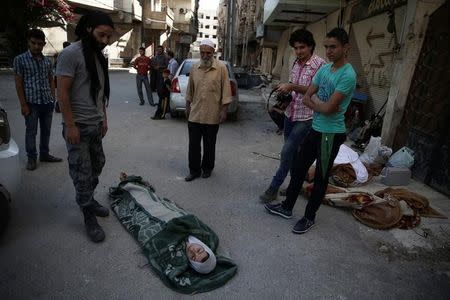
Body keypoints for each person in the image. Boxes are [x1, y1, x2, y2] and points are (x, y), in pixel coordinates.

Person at [265, 28, 357, 234]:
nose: (329, 51)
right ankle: (287, 207)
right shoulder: (325, 70)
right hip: (316, 128)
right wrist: (319, 104)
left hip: (330, 134)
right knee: (298, 169)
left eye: (333, 47)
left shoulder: (348, 74)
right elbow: (308, 96)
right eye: (327, 47)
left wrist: (316, 103)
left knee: (321, 179)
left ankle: (309, 217)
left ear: (345, 48)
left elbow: (328, 108)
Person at [56, 11, 114, 242]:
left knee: (98, 164)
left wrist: (104, 118)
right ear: (88, 29)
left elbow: (99, 92)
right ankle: (88, 213)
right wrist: (70, 125)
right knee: (82, 173)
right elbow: (62, 92)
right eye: (102, 35)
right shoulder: (70, 54)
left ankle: (88, 198)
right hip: (77, 126)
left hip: (95, 124)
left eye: (109, 37)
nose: (105, 41)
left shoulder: (98, 56)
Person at [260, 29, 325, 202]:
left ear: (310, 46)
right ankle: (293, 186)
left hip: (307, 116)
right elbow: (293, 87)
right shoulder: (295, 63)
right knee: (294, 155)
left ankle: (273, 187)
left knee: (286, 151)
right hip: (291, 114)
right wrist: (286, 96)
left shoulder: (320, 65)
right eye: (296, 48)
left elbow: (315, 89)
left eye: (302, 47)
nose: (298, 51)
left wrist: (292, 87)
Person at [13, 28, 63, 171]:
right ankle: (32, 158)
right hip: (31, 103)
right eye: (33, 43)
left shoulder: (47, 61)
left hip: (46, 102)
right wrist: (23, 105)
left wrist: (53, 98)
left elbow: (51, 80)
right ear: (28, 42)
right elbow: (18, 84)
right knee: (31, 132)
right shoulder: (20, 60)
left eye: (40, 44)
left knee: (46, 131)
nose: (36, 46)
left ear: (44, 44)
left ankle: (45, 154)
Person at [184, 39, 231, 182]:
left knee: (209, 145)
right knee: (193, 145)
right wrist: (187, 106)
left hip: (212, 114)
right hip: (195, 114)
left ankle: (207, 168)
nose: (205, 56)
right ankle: (194, 170)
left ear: (213, 53)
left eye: (208, 53)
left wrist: (224, 110)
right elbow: (190, 89)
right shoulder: (194, 67)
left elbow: (226, 91)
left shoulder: (221, 68)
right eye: (202, 53)